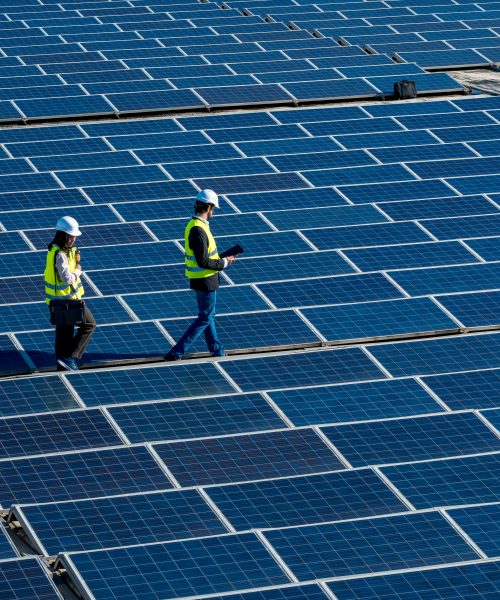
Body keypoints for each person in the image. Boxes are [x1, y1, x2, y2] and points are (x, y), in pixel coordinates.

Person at [165, 189, 236, 361]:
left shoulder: (196, 225)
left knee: (208, 315)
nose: (213, 213)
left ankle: (216, 349)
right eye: (213, 209)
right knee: (205, 317)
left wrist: (221, 258)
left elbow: (205, 256)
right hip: (205, 280)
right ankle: (176, 352)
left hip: (203, 278)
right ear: (209, 207)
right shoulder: (198, 230)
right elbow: (203, 261)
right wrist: (224, 263)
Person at [44, 216, 96, 371]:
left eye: (74, 237)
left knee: (64, 333)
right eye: (71, 236)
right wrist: (78, 270)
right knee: (89, 325)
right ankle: (71, 357)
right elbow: (67, 279)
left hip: (57, 302)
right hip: (68, 302)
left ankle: (62, 364)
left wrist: (75, 259)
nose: (73, 239)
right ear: (62, 235)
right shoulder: (60, 254)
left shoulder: (59, 250)